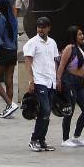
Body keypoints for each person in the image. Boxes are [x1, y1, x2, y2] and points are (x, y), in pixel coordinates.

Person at [58, 25, 84, 147]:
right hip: (69, 81)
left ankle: (76, 136)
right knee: (69, 111)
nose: (82, 36)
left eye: (82, 34)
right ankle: (65, 139)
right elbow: (61, 65)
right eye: (80, 35)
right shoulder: (69, 48)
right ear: (73, 36)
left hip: (80, 82)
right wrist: (58, 80)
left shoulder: (83, 49)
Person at [23, 15, 59, 152]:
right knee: (44, 109)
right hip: (39, 81)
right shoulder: (32, 43)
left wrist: (57, 79)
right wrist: (31, 80)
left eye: (43, 27)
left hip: (51, 81)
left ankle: (42, 139)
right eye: (39, 27)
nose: (40, 29)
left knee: (47, 112)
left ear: (48, 28)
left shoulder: (52, 43)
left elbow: (54, 61)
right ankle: (34, 139)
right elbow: (28, 62)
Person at [0, 0, 20, 118]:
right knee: (9, 79)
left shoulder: (0, 19)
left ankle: (10, 103)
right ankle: (9, 110)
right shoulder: (13, 19)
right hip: (13, 51)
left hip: (4, 51)